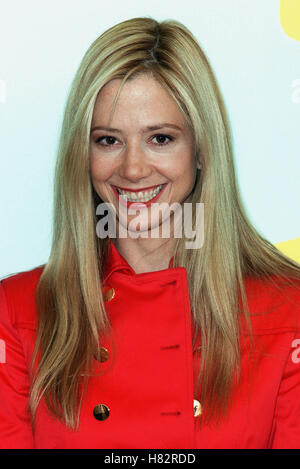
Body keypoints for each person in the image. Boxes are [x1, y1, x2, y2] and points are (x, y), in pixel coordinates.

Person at [0, 16, 300, 450]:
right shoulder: (16, 312)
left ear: (201, 151)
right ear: (81, 154)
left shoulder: (287, 310)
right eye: (108, 140)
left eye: (160, 138)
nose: (133, 169)